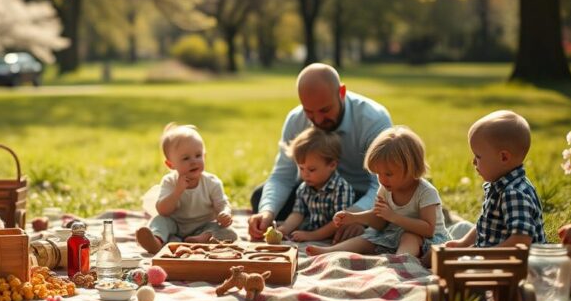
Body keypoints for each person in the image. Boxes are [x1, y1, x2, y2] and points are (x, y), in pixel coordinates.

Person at [248, 63, 392, 242]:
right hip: (315, 191)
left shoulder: (373, 119)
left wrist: (358, 217)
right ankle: (318, 223)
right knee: (260, 198)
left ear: (341, 93)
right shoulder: (295, 119)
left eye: (325, 110)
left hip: (361, 194)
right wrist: (267, 212)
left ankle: (321, 224)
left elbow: (382, 185)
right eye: (309, 111)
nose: (317, 120)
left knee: (393, 207)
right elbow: (282, 176)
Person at [307, 126, 450, 257]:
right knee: (365, 239)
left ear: (411, 168)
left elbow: (428, 229)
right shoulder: (386, 188)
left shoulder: (425, 192)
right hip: (392, 235)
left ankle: (402, 261)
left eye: (388, 174)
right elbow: (379, 221)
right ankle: (330, 251)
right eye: (377, 174)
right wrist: (354, 217)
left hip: (426, 241)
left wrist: (393, 217)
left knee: (409, 237)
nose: (381, 179)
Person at [445, 110, 546, 248]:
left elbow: (521, 241)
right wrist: (463, 243)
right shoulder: (499, 186)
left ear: (503, 157)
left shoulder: (514, 193)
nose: (473, 162)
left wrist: (486, 256)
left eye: (478, 156)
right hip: (494, 256)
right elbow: (485, 224)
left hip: (516, 263)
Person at [135, 123, 238, 254]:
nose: (194, 161)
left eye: (198, 155)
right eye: (186, 158)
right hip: (175, 225)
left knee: (229, 233)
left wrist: (225, 213)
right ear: (170, 164)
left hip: (204, 226)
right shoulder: (170, 182)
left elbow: (222, 203)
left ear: (204, 156)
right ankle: (156, 242)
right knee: (159, 221)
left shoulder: (212, 182)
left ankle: (200, 240)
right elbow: (163, 211)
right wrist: (178, 191)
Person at [274, 126, 355, 242]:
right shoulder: (304, 188)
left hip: (333, 236)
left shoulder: (341, 188)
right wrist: (284, 229)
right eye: (301, 168)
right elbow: (298, 213)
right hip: (311, 229)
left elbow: (340, 222)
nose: (305, 174)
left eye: (311, 170)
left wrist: (312, 236)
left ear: (332, 165)